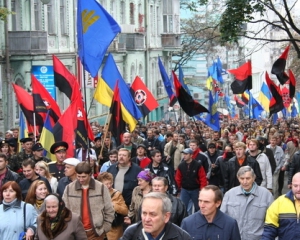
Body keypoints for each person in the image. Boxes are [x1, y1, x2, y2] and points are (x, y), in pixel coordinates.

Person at [62, 162, 114, 239]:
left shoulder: (101, 188)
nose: (81, 179)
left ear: (90, 174)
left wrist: (105, 228)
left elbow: (109, 209)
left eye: (84, 177)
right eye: (78, 176)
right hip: (75, 232)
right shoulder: (69, 188)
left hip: (96, 232)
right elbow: (64, 210)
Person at [220, 166, 273, 240]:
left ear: (254, 178)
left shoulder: (266, 195)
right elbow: (222, 219)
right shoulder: (229, 194)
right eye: (242, 178)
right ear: (238, 178)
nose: (245, 182)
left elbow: (272, 222)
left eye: (248, 178)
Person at [121, 192, 192, 240]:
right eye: (144, 213)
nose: (147, 219)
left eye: (152, 214)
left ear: (166, 217)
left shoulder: (182, 237)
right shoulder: (131, 233)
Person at [262, 172, 300, 239]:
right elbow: (270, 229)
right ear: (291, 185)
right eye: (295, 186)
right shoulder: (279, 202)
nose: (298, 189)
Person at [175, 148, 207, 215]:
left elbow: (202, 178)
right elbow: (178, 177)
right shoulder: (181, 165)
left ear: (191, 155)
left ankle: (200, 219)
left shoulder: (198, 165)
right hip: (184, 189)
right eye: (184, 154)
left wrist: (202, 189)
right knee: (182, 207)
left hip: (195, 189)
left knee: (199, 206)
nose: (184, 155)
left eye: (186, 154)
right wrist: (179, 188)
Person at [97, 172, 128, 240]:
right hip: (100, 229)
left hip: (113, 229)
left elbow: (125, 211)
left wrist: (113, 205)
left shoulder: (117, 194)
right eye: (106, 184)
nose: (109, 186)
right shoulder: (96, 194)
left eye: (110, 183)